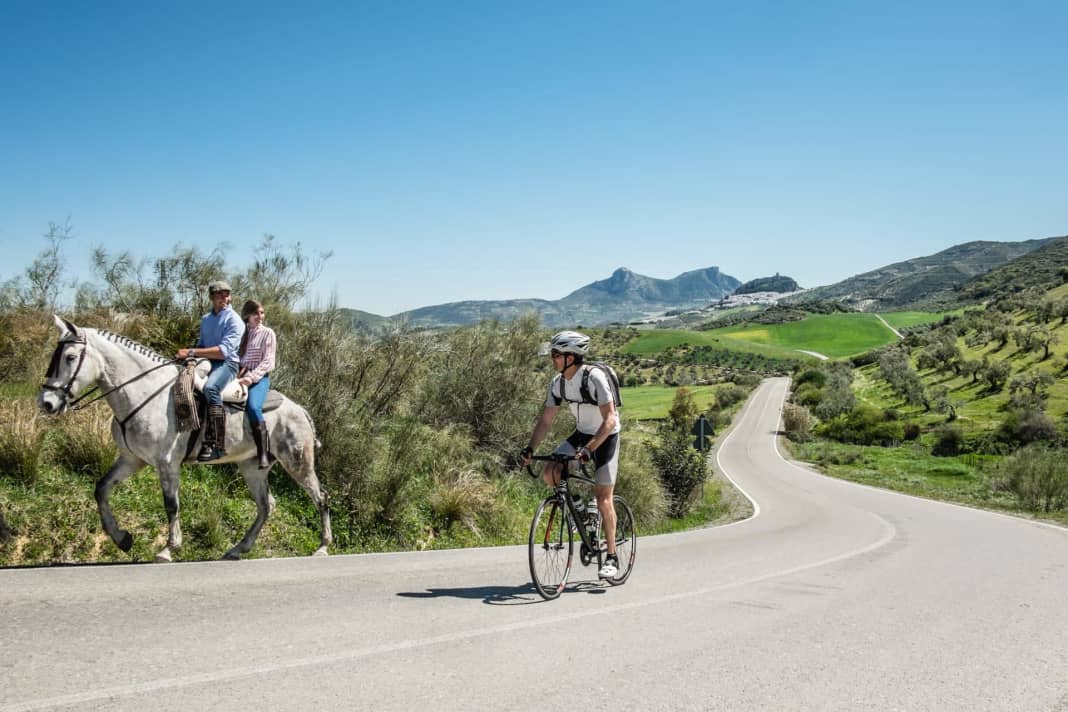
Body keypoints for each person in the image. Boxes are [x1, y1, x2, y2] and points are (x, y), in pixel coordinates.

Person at [521, 330, 622, 579]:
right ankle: (578, 507)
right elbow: (546, 421)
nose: (552, 358)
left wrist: (589, 449)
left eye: (556, 354)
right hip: (581, 433)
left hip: (606, 436)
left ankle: (611, 557)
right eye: (552, 353)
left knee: (603, 498)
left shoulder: (594, 378)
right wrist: (531, 448)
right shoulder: (558, 383)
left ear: (572, 357)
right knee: (551, 473)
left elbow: (610, 419)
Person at [177, 280, 244, 461]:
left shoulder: (234, 320)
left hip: (227, 364)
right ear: (212, 297)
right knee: (180, 379)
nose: (224, 298)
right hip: (207, 362)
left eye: (227, 294)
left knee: (211, 389)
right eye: (220, 294)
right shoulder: (206, 319)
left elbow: (223, 352)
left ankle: (215, 443)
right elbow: (202, 345)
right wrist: (188, 357)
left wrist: (191, 351)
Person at [236, 299, 276, 469]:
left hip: (259, 378)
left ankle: (263, 453)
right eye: (256, 313)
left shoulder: (268, 333)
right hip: (240, 375)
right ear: (247, 316)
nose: (260, 317)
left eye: (262, 313)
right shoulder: (242, 334)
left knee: (253, 407)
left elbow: (268, 361)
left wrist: (251, 378)